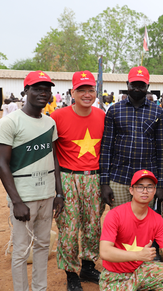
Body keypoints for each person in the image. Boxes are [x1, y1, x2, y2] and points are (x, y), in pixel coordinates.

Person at [0, 70, 64, 291]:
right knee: (20, 250)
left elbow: (53, 159)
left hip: (47, 195)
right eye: (37, 89)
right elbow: (2, 163)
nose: (43, 93)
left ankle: (39, 288)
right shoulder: (10, 122)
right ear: (26, 91)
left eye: (47, 90)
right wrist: (16, 201)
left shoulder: (49, 123)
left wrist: (59, 193)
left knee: (43, 246)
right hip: (23, 197)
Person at [51, 71, 106, 290]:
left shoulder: (102, 116)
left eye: (90, 90)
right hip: (67, 178)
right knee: (69, 229)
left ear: (96, 92)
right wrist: (57, 190)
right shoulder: (57, 116)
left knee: (93, 226)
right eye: (81, 90)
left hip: (94, 178)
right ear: (72, 92)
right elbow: (52, 154)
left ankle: (88, 265)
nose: (86, 94)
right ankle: (71, 273)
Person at [99, 169, 163, 291]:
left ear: (154, 191)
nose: (145, 191)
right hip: (114, 276)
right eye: (140, 187)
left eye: (150, 187)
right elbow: (105, 252)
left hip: (140, 272)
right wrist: (139, 255)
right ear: (131, 190)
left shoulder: (157, 219)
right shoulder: (115, 215)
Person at [100, 66, 163, 209]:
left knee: (143, 224)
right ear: (127, 85)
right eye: (134, 85)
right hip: (119, 178)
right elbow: (106, 148)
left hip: (146, 179)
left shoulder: (158, 112)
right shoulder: (114, 110)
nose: (137, 88)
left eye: (141, 85)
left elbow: (162, 151)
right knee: (121, 224)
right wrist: (104, 183)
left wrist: (162, 184)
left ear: (147, 86)